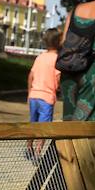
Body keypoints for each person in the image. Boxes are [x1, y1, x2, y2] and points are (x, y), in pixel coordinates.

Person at [26, 28, 62, 159]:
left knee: (33, 123)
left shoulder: (40, 57)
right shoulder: (57, 59)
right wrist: (58, 88)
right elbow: (57, 78)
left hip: (34, 96)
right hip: (47, 97)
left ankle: (28, 147)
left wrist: (30, 93)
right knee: (44, 127)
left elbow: (31, 76)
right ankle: (37, 152)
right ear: (58, 42)